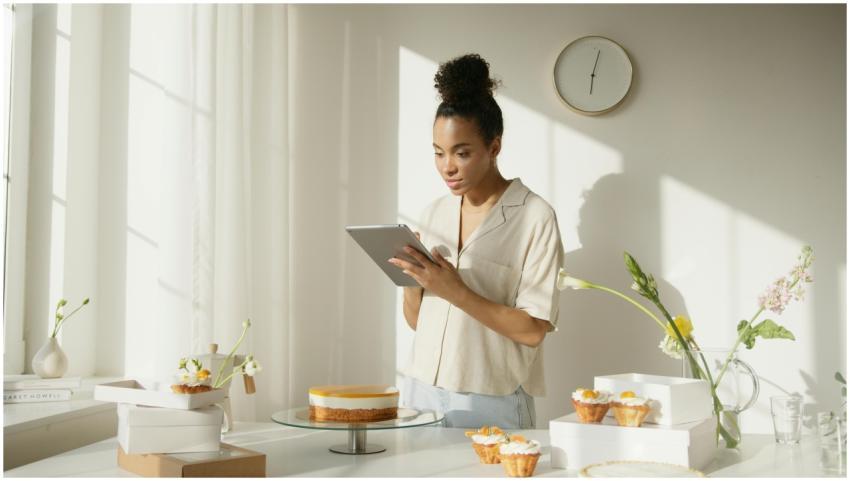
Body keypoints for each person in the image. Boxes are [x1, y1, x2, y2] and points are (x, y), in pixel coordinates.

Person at [388, 53, 564, 429]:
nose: (447, 167)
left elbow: (533, 331)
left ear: (494, 148)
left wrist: (454, 289)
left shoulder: (535, 217)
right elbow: (419, 322)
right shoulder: (435, 212)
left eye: (461, 153)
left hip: (491, 397)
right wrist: (411, 285)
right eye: (438, 153)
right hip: (421, 390)